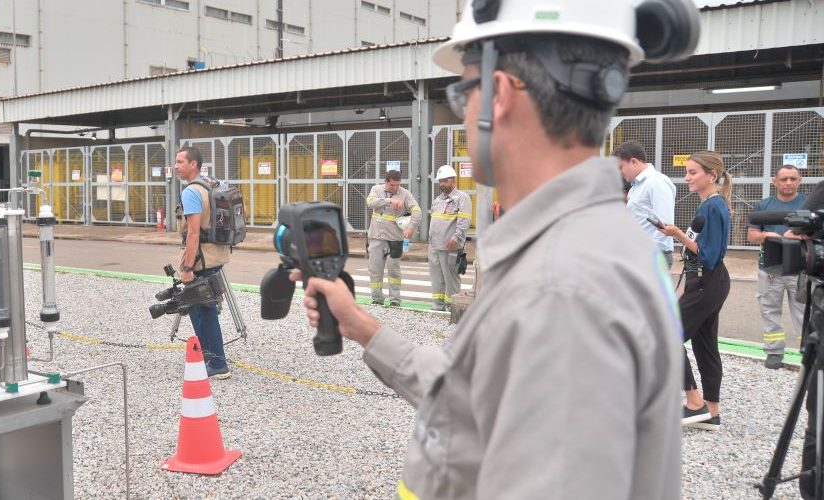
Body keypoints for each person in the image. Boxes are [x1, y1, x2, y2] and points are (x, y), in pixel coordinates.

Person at [293, 0, 689, 497]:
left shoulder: (562, 285)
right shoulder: (573, 247)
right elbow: (471, 390)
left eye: (462, 94)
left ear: (499, 92)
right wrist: (362, 327)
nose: (461, 117)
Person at [660, 150, 732, 431]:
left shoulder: (713, 206)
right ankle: (711, 412)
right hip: (707, 282)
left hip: (707, 280)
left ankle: (694, 403)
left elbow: (709, 254)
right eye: (687, 171)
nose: (687, 177)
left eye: (693, 172)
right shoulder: (713, 205)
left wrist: (678, 235)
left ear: (711, 175)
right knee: (705, 345)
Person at [174, 145, 231, 380]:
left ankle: (216, 363)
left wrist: (187, 268)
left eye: (180, 162)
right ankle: (213, 359)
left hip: (201, 260)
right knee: (207, 309)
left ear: (193, 164)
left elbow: (193, 233)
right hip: (216, 255)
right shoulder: (214, 184)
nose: (176, 166)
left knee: (202, 311)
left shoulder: (191, 192)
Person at [749, 164, 806, 369]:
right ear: (775, 181)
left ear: (800, 180)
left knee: (804, 313)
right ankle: (774, 353)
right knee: (770, 312)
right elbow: (752, 235)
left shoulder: (809, 204)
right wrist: (766, 235)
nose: (789, 183)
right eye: (784, 179)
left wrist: (801, 236)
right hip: (770, 269)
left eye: (793, 178)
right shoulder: (763, 207)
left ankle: (809, 352)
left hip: (801, 270)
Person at [365, 170, 422, 307]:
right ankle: (377, 298)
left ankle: (395, 300)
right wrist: (389, 200)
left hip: (396, 240)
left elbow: (417, 211)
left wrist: (411, 227)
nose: (395, 188)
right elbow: (370, 202)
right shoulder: (376, 189)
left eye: (397, 185)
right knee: (375, 269)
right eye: (392, 185)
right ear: (386, 182)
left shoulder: (405, 194)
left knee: (394, 270)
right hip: (377, 237)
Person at [614, 141, 676, 267]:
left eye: (621, 167)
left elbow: (664, 226)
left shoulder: (656, 182)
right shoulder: (637, 186)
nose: (620, 173)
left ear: (633, 162)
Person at [426, 164, 471, 311]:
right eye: (440, 181)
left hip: (450, 246)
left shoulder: (462, 198)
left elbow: (464, 222)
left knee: (451, 278)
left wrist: (456, 239)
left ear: (453, 181)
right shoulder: (438, 200)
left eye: (445, 181)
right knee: (437, 277)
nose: (442, 184)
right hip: (434, 246)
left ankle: (453, 307)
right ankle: (438, 305)